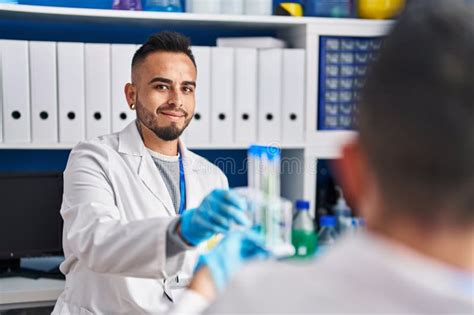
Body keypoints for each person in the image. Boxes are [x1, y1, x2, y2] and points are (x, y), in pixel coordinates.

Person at [173, 2, 474, 314]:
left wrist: (204, 287)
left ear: (350, 171)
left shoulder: (255, 299)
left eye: (186, 88)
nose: (176, 100)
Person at [52, 32, 250, 314]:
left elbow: (209, 273)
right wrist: (182, 232)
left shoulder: (212, 176)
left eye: (187, 88)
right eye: (162, 86)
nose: (176, 100)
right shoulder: (93, 158)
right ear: (131, 95)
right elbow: (96, 243)